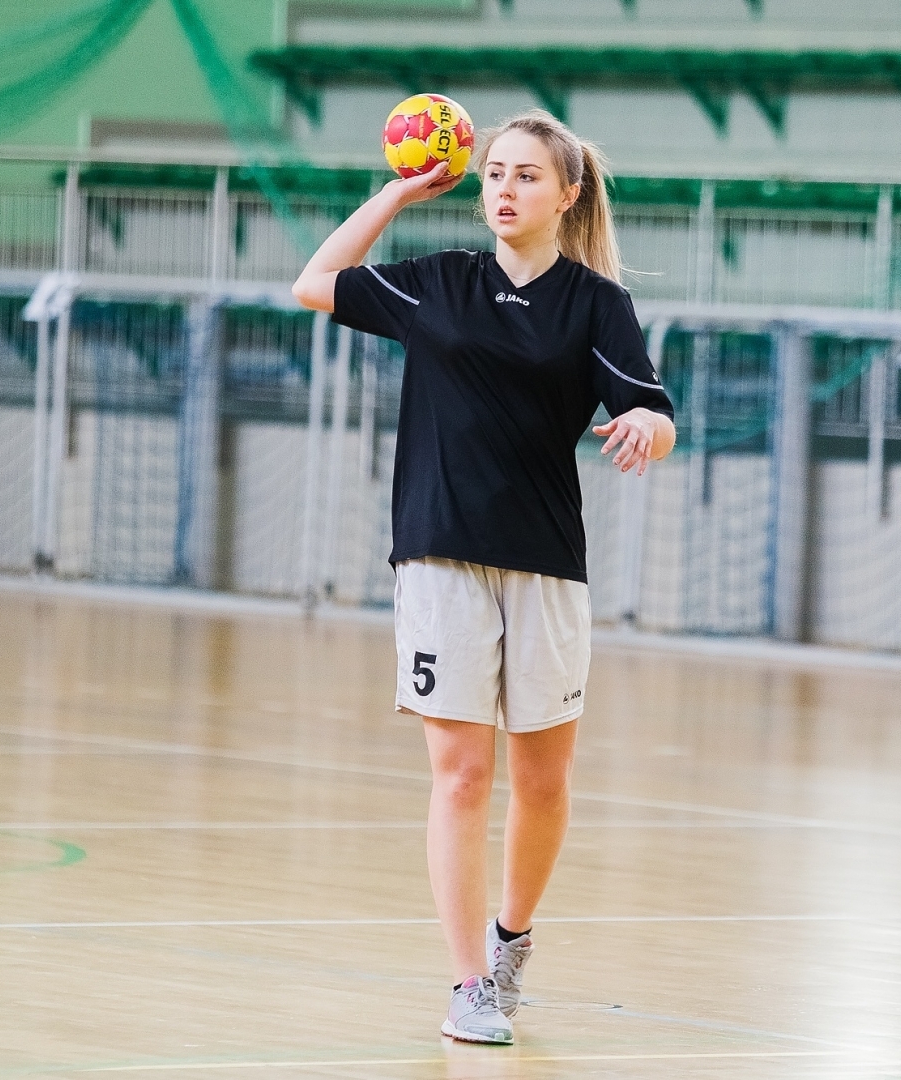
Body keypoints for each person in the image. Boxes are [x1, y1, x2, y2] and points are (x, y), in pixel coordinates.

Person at [292, 109, 675, 1045]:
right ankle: (468, 983)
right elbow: (314, 283)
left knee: (543, 781)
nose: (503, 190)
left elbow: (655, 412)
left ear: (567, 194)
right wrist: (396, 192)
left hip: (546, 564)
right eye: (493, 174)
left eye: (526, 177)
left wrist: (644, 430)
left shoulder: (596, 305)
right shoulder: (437, 285)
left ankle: (512, 940)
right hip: (438, 552)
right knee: (462, 776)